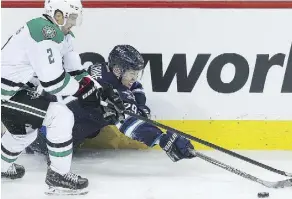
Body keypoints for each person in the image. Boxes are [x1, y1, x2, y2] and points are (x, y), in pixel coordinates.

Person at [29, 44, 196, 163]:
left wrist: (140, 105)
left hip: (43, 120)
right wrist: (161, 138)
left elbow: (135, 87)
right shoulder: (107, 90)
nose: (134, 78)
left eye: (136, 73)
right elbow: (129, 122)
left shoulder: (102, 69)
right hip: (46, 138)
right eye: (132, 73)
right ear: (117, 70)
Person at [1, 0, 100, 195]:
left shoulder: (62, 35)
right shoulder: (45, 32)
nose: (73, 22)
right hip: (6, 94)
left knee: (24, 132)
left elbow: (76, 71)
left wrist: (99, 90)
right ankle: (58, 175)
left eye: (75, 17)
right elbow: (53, 81)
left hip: (15, 91)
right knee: (60, 116)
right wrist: (82, 91)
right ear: (57, 14)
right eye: (71, 17)